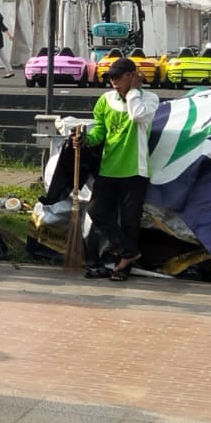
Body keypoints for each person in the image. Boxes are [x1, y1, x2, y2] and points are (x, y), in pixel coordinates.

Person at [75, 56, 159, 282]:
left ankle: (123, 268)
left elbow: (138, 115)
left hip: (136, 169)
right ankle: (129, 252)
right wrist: (86, 140)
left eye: (118, 77)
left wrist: (132, 92)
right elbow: (99, 131)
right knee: (97, 211)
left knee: (130, 221)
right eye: (110, 77)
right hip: (109, 167)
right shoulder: (105, 101)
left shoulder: (149, 99)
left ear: (132, 76)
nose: (113, 81)